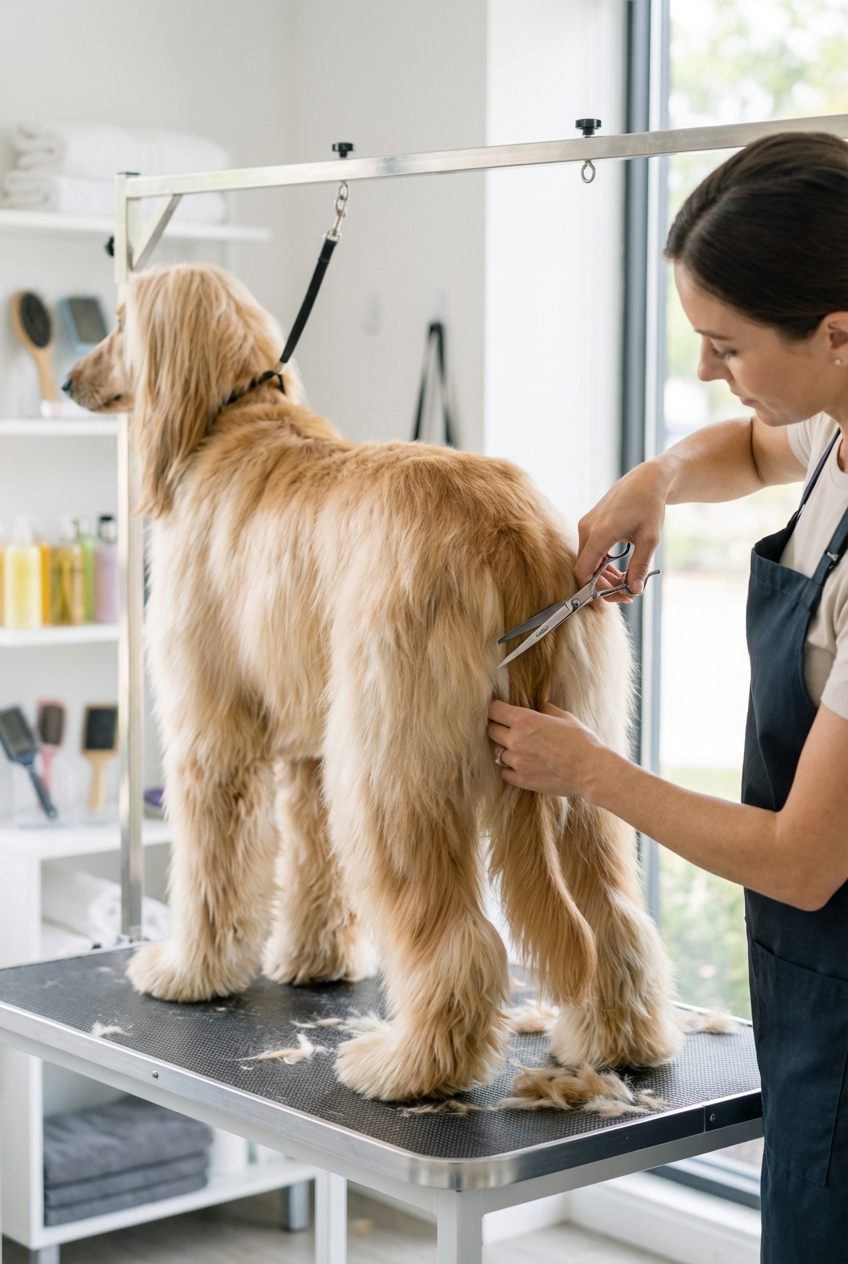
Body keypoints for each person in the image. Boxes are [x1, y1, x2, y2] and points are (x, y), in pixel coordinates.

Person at [487, 131, 848, 1263]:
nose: (705, 370)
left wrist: (586, 769)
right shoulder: (832, 426)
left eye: (723, 344)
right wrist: (653, 483)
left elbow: (801, 858)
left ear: (838, 332)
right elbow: (748, 444)